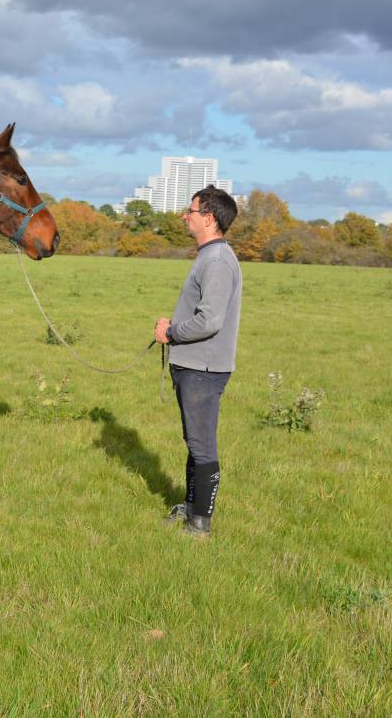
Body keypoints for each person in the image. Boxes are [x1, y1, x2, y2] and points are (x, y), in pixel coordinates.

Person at [154, 186, 241, 538]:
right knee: (194, 440)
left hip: (203, 369)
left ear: (208, 218)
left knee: (202, 443)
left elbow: (210, 320)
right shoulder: (210, 256)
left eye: (189, 211)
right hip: (194, 366)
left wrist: (171, 332)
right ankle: (191, 507)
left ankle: (200, 525)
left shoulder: (217, 261)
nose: (184, 216)